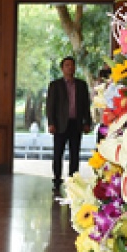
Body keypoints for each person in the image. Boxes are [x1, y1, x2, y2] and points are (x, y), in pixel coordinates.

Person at [47, 56, 91, 193]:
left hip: (76, 124)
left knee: (74, 154)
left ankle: (73, 180)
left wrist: (87, 122)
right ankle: (57, 179)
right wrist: (51, 123)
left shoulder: (81, 85)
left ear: (75, 67)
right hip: (60, 125)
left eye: (72, 65)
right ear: (62, 68)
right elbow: (50, 106)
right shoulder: (55, 85)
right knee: (58, 153)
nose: (70, 68)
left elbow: (86, 106)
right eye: (67, 65)